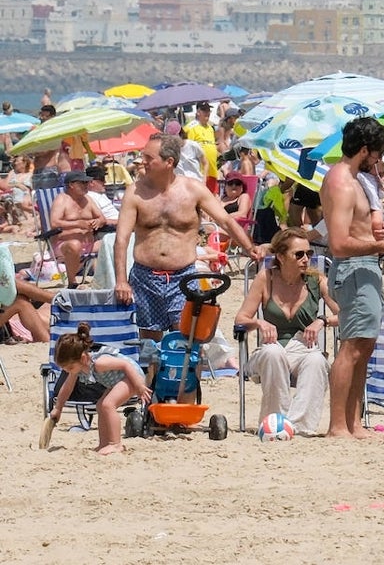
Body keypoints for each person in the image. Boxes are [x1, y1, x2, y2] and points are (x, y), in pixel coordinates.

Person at [114, 134, 260, 337]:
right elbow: (121, 239)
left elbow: (225, 221)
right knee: (149, 348)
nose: (142, 161)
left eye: (149, 157)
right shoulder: (135, 192)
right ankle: (152, 370)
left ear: (169, 162)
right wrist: (121, 280)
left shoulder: (193, 190)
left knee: (188, 344)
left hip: (183, 276)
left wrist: (249, 247)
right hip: (145, 277)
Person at [320, 117, 384, 439]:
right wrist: (380, 244)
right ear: (363, 150)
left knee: (365, 346)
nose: (380, 160)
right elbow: (339, 242)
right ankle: (337, 425)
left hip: (364, 265)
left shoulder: (356, 180)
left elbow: (354, 230)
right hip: (353, 267)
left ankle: (353, 422)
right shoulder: (342, 182)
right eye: (378, 153)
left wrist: (378, 237)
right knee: (352, 347)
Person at [234, 227, 338, 436]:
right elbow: (240, 319)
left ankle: (298, 427)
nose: (306, 259)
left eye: (309, 254)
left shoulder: (316, 280)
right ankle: (275, 423)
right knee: (274, 354)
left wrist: (322, 320)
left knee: (317, 361)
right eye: (299, 254)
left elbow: (345, 315)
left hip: (303, 348)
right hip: (270, 349)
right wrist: (259, 324)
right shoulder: (266, 278)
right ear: (280, 257)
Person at [50, 322, 152, 454]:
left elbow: (126, 365)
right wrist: (58, 408)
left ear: (82, 358)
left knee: (108, 405)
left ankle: (115, 444)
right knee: (100, 406)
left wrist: (139, 386)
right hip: (117, 381)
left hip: (132, 376)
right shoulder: (78, 368)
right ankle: (104, 443)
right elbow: (67, 388)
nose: (69, 371)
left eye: (70, 367)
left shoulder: (99, 362)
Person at [49, 170, 106, 288]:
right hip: (64, 245)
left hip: (89, 245)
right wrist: (79, 224)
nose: (86, 186)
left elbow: (102, 218)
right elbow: (54, 223)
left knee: (112, 241)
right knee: (74, 244)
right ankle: (72, 282)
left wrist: (98, 222)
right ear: (71, 185)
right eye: (82, 183)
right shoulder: (62, 200)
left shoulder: (88, 200)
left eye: (87, 183)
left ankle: (111, 279)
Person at [184, 101, 220, 194]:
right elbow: (187, 149)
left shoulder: (210, 128)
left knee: (212, 196)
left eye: (208, 110)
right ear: (198, 112)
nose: (207, 112)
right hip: (199, 172)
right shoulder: (191, 127)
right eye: (204, 110)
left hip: (212, 170)